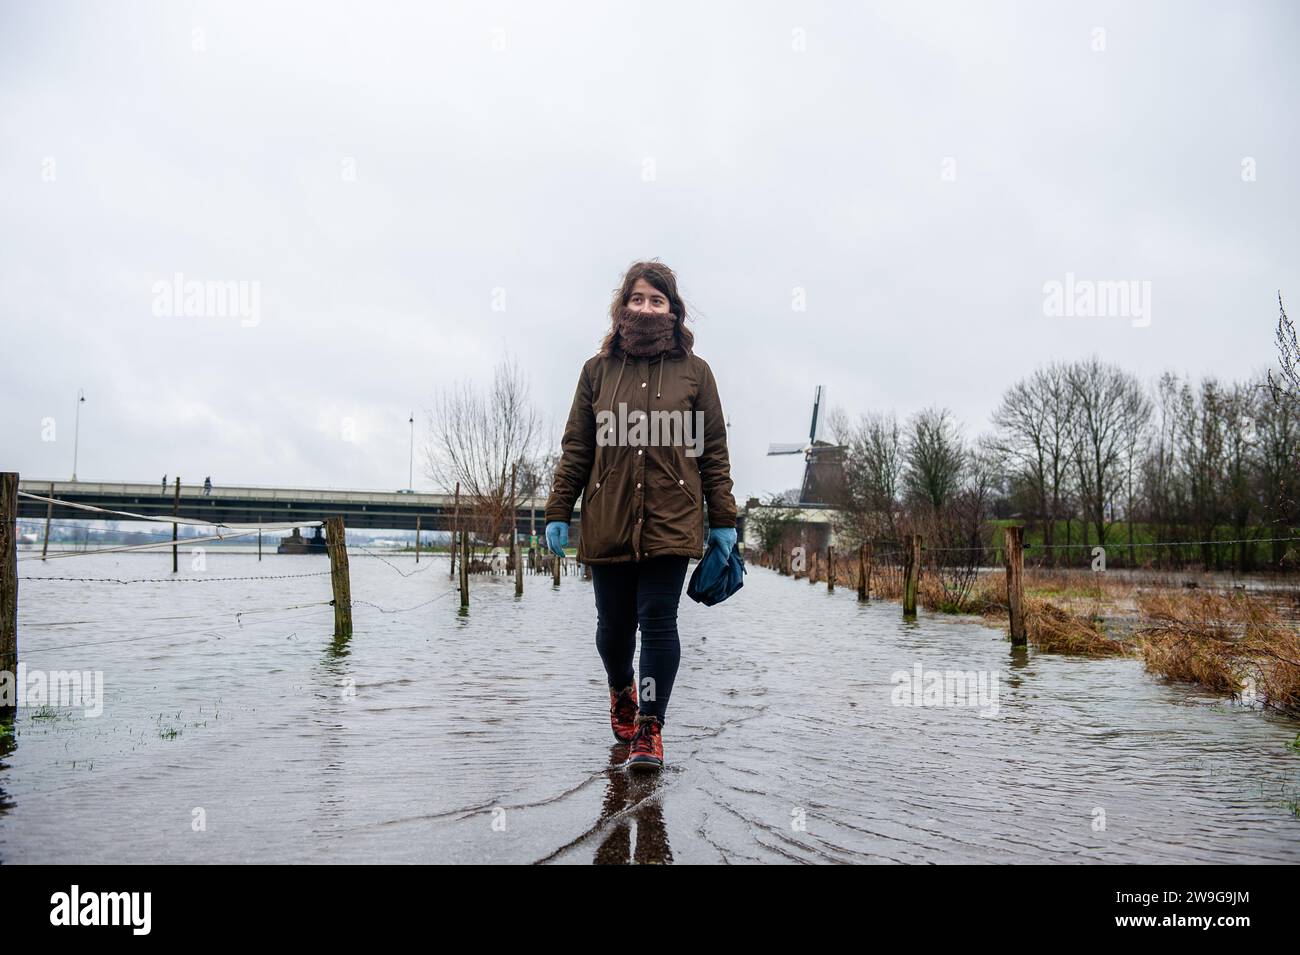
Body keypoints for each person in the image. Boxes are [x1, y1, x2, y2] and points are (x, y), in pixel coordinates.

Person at [544, 261, 737, 771]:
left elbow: (712, 452)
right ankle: (620, 688)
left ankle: (649, 728)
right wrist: (558, 509)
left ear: (673, 310)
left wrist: (723, 522)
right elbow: (577, 449)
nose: (647, 308)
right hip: (607, 517)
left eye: (657, 300)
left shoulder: (696, 374)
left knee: (657, 623)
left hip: (671, 520)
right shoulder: (596, 372)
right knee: (613, 628)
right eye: (638, 299)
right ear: (622, 306)